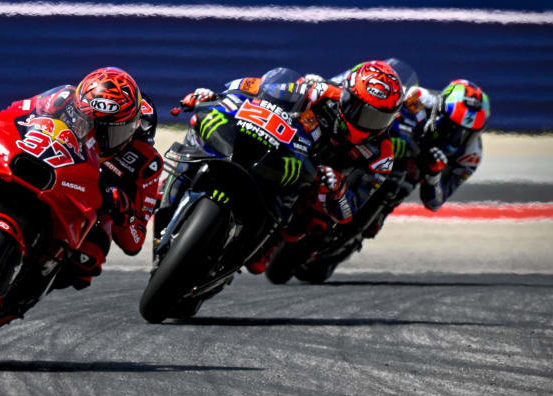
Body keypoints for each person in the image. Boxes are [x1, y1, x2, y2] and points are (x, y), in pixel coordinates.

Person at [0, 67, 163, 290]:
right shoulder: (64, 99)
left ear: (133, 127)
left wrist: (124, 209)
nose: (100, 137)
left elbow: (135, 240)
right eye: (93, 124)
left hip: (88, 207)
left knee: (88, 261)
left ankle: (26, 284)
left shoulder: (146, 163)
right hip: (49, 171)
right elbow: (17, 113)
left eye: (112, 130)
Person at [177, 60, 404, 274]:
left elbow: (349, 211)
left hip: (318, 184)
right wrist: (217, 96)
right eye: (364, 113)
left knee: (313, 226)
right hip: (284, 152)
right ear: (346, 97)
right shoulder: (321, 92)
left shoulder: (381, 156)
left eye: (379, 119)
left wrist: (338, 189)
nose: (368, 124)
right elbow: (258, 87)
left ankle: (267, 243)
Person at [362, 79, 491, 238]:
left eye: (468, 134)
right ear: (441, 110)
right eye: (451, 127)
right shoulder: (427, 100)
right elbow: (406, 94)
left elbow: (435, 202)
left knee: (374, 224)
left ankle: (381, 210)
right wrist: (418, 126)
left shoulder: (471, 156)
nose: (456, 137)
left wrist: (434, 175)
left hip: (414, 169)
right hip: (397, 143)